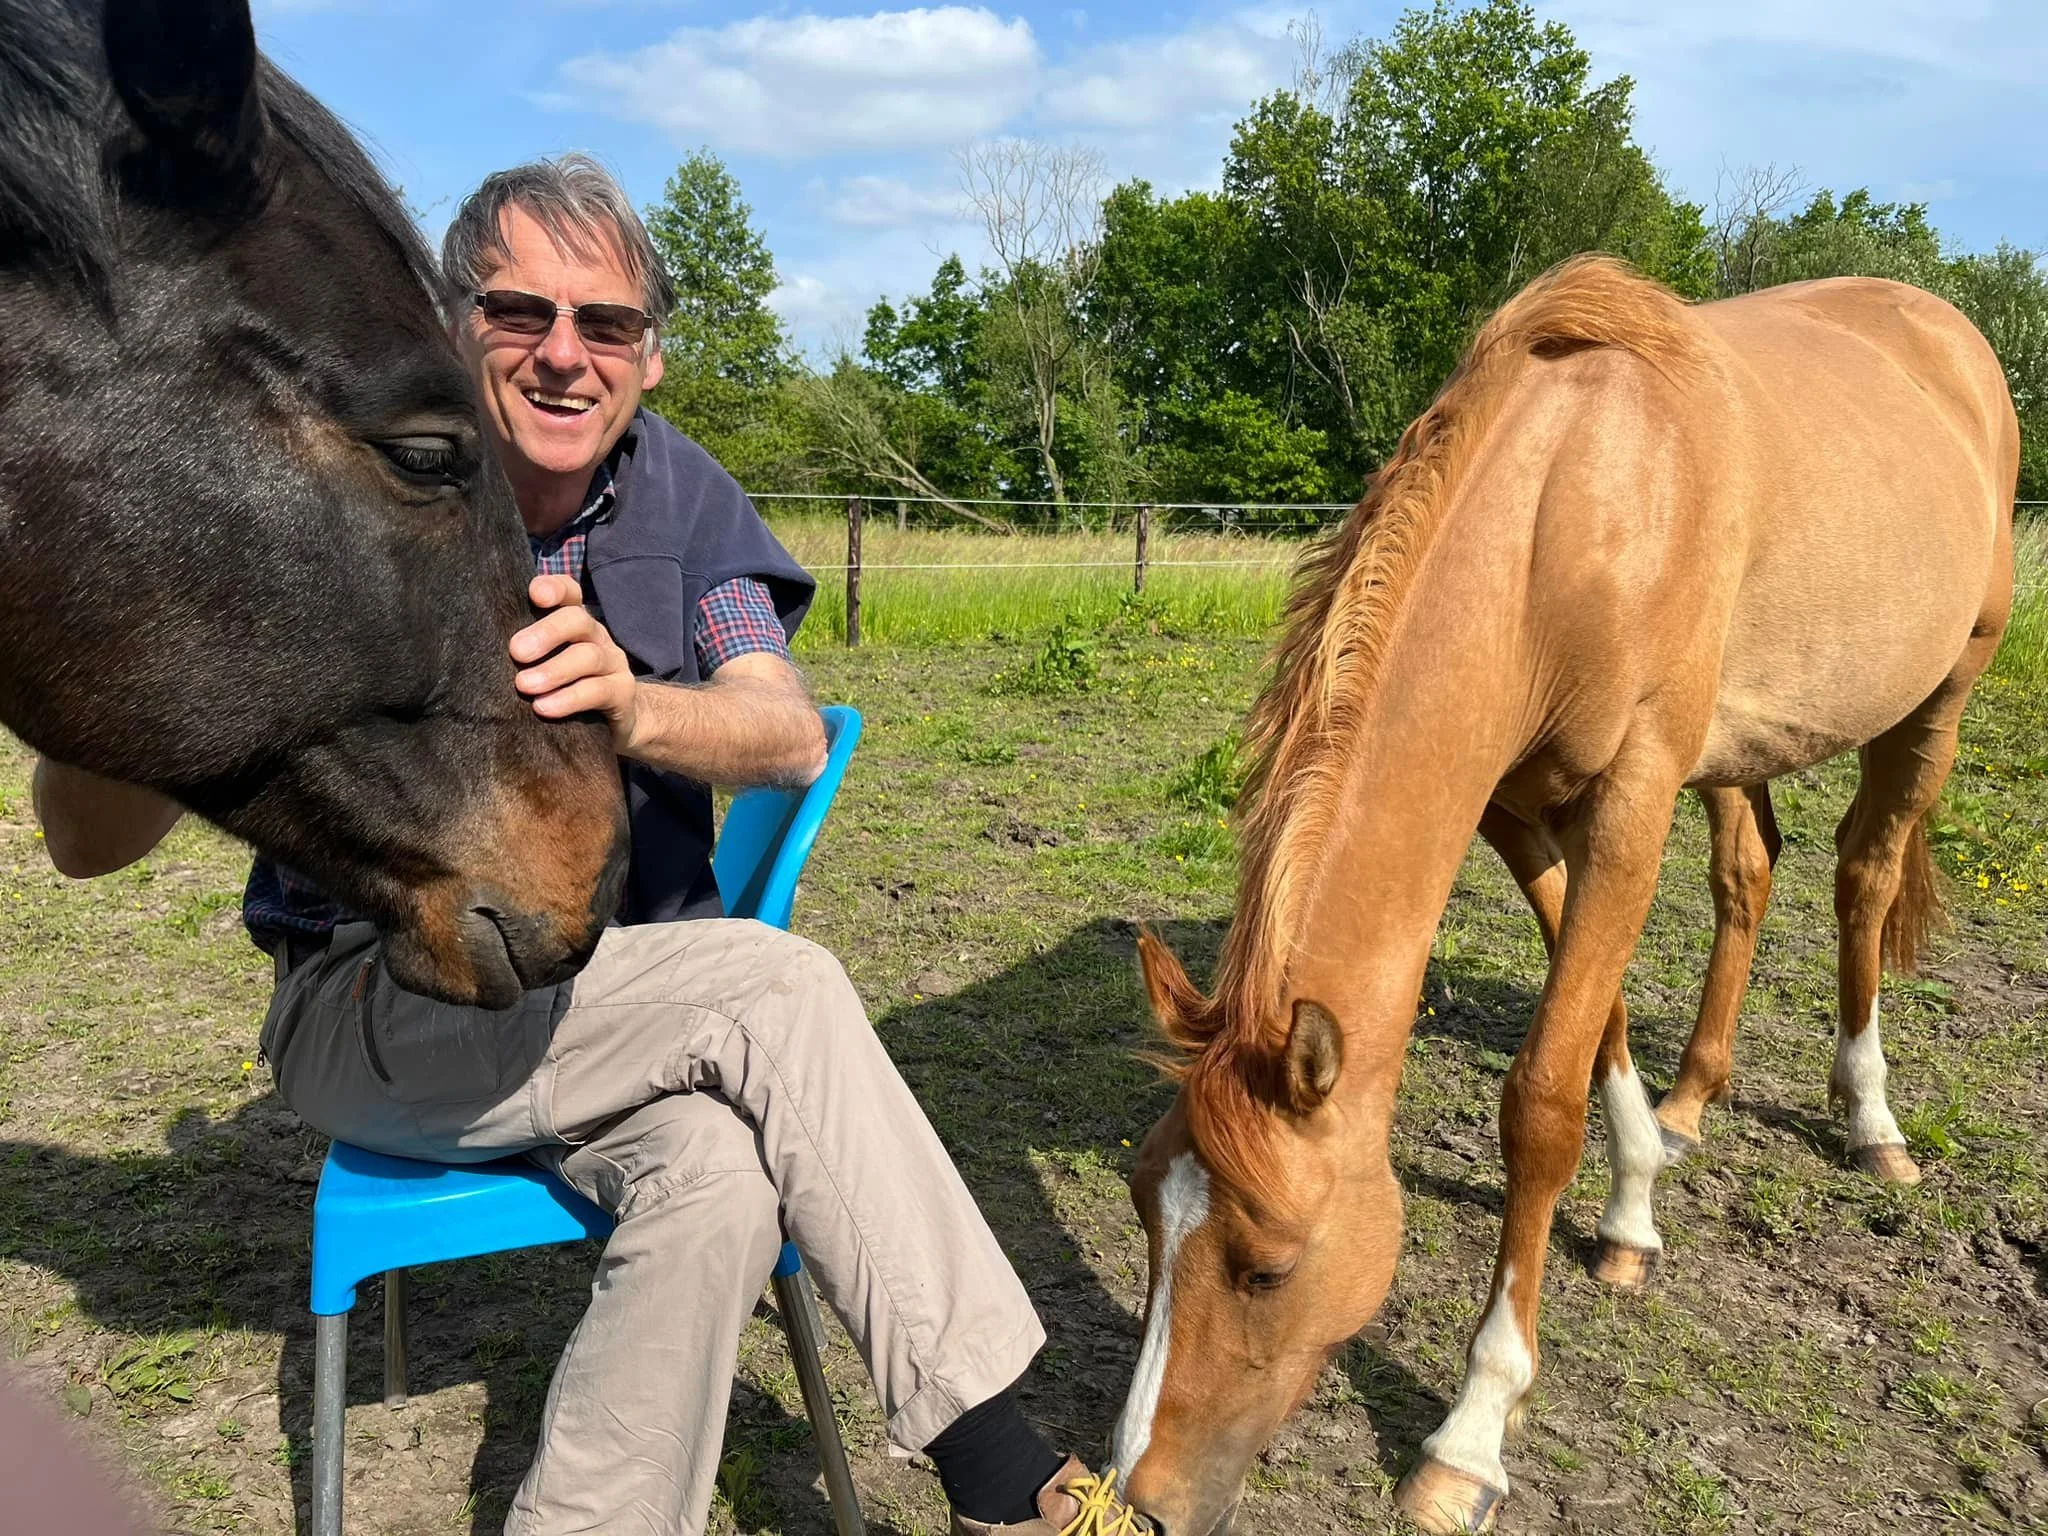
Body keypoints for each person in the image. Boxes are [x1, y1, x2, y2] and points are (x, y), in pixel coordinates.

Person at [33, 154, 1150, 1536]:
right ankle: (1002, 1473)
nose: (565, 356)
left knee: (724, 1175)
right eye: (519, 313)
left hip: (631, 1009)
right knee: (779, 988)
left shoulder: (682, 506)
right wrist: (134, 679)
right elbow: (87, 847)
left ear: (652, 358)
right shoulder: (340, 502)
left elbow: (784, 733)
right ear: (452, 329)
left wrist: (629, 700)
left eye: (606, 324)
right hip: (387, 1004)